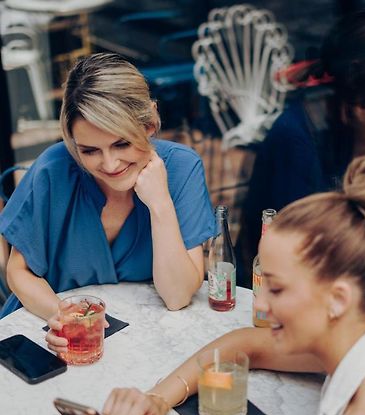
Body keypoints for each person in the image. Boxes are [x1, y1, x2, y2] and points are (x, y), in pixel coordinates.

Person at [52, 156, 365, 415]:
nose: (261, 306)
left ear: (338, 298)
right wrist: (158, 399)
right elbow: (244, 343)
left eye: (276, 289)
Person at [0, 53, 216, 325]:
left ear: (149, 124)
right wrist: (68, 319)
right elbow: (18, 272)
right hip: (47, 327)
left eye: (121, 144)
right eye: (89, 150)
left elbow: (177, 296)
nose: (110, 164)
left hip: (144, 335)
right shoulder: (51, 170)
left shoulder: (183, 168)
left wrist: (160, 204)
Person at [236, 8, 365, 286]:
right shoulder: (299, 135)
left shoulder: (358, 119)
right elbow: (322, 237)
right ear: (363, 75)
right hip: (281, 282)